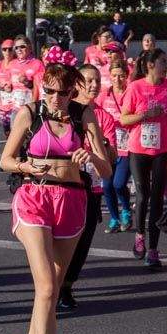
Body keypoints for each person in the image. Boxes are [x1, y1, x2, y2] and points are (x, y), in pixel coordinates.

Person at [2, 62, 111, 334]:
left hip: (72, 200)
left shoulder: (84, 115)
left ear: (72, 91)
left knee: (52, 288)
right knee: (47, 285)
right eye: (49, 90)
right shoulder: (29, 113)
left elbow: (106, 170)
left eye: (63, 92)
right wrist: (24, 165)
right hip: (34, 196)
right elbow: (5, 158)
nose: (55, 98)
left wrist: (90, 154)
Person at [58, 61, 115, 311]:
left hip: (92, 188)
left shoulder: (104, 116)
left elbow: (111, 158)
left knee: (84, 238)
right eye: (88, 80)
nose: (94, 85)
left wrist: (101, 146)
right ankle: (53, 283)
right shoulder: (64, 111)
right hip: (64, 186)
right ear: (77, 83)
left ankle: (67, 286)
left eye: (97, 81)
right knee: (58, 238)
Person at [120, 48, 167, 267]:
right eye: (163, 62)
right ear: (150, 65)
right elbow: (124, 119)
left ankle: (153, 248)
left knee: (158, 198)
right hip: (139, 148)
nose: (166, 66)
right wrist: (145, 115)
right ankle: (139, 236)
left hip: (162, 147)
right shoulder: (135, 87)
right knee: (142, 194)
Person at [99, 60, 133, 233]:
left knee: (119, 183)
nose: (118, 79)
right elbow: (96, 114)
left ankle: (126, 209)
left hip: (126, 146)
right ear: (109, 76)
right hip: (108, 146)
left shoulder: (131, 93)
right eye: (114, 75)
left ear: (126, 76)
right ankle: (114, 217)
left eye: (121, 75)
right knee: (106, 185)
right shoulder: (104, 95)